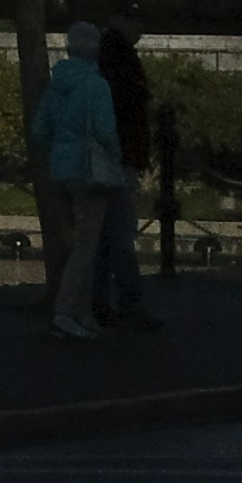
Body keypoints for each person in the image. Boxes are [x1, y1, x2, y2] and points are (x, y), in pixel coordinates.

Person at [33, 27, 131, 343]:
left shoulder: (56, 83)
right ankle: (65, 314)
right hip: (89, 171)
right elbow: (105, 130)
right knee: (86, 246)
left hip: (60, 169)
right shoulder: (96, 84)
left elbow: (39, 130)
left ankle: (81, 313)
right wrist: (117, 157)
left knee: (76, 243)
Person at [94, 23, 163, 330]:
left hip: (101, 162)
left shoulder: (101, 67)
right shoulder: (119, 65)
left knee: (102, 237)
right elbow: (123, 115)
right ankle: (127, 302)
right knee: (120, 234)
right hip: (117, 159)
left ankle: (98, 302)